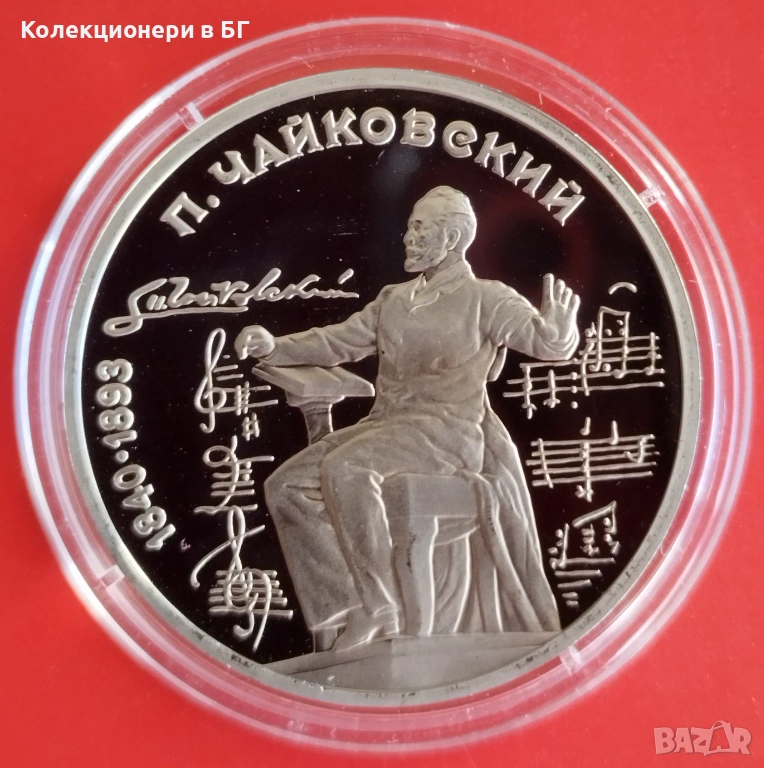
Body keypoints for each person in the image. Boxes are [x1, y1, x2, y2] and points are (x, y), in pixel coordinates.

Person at [235, 186, 580, 651]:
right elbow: (340, 341)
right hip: (386, 427)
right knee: (285, 486)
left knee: (346, 468)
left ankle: (381, 607)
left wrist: (560, 333)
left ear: (452, 237)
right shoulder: (394, 299)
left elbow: (544, 342)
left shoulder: (487, 298)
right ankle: (348, 603)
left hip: (447, 434)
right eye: (410, 227)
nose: (407, 237)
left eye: (419, 228)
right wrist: (275, 345)